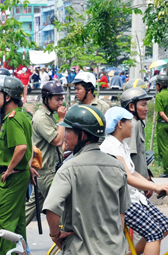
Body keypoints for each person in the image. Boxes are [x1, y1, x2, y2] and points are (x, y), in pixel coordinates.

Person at [43, 105, 130, 254]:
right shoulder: (117, 166)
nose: (64, 134)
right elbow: (121, 215)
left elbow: (51, 208)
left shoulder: (68, 168)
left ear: (82, 135)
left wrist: (55, 235)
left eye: (69, 130)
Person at [102, 107, 168, 255]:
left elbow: (133, 172)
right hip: (123, 201)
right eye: (129, 121)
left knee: (165, 226)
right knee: (154, 233)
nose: (132, 124)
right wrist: (155, 188)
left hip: (135, 198)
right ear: (119, 124)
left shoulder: (122, 144)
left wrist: (155, 186)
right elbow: (128, 178)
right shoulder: (110, 146)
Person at [0, 76, 35, 255]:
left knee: (3, 223)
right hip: (21, 173)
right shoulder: (22, 116)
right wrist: (27, 166)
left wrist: (10, 169)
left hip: (12, 176)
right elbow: (28, 147)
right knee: (18, 223)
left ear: (8, 97)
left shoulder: (12, 119)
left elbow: (22, 147)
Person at [25, 80, 67, 225]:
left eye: (62, 99)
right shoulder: (41, 117)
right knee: (57, 208)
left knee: (29, 210)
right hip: (45, 170)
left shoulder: (48, 115)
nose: (60, 103)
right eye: (57, 99)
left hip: (44, 167)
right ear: (46, 99)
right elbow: (56, 141)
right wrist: (61, 119)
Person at [120, 87, 152, 179]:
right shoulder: (131, 126)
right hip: (135, 184)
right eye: (143, 105)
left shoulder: (137, 123)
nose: (146, 109)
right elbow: (127, 160)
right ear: (131, 106)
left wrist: (146, 175)